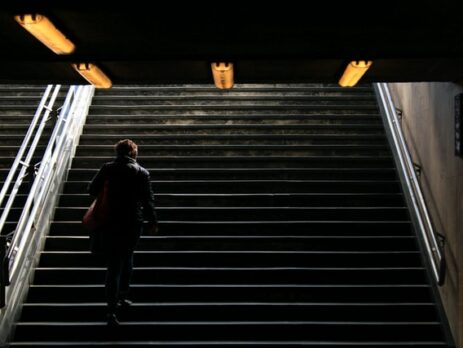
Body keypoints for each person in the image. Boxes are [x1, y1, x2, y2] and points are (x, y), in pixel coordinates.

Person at [88, 139, 158, 326]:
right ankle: (123, 295)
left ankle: (111, 310)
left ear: (117, 152)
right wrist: (152, 221)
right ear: (134, 153)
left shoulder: (107, 168)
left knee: (113, 265)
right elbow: (147, 200)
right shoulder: (141, 172)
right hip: (132, 223)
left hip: (109, 221)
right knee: (127, 258)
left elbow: (91, 189)